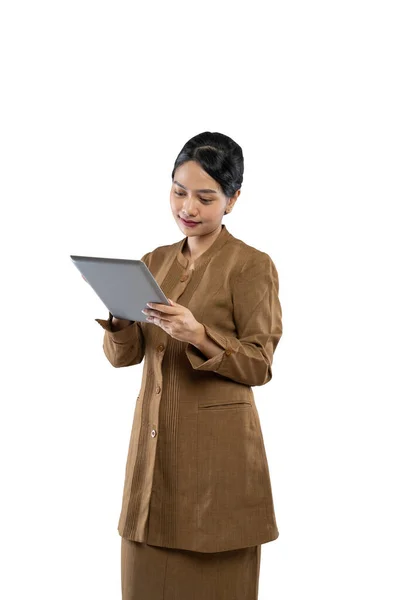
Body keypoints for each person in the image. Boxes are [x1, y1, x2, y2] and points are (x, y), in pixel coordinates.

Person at [95, 131, 283, 599]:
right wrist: (119, 318)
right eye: (179, 191)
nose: (188, 207)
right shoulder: (153, 262)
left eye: (205, 197)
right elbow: (126, 356)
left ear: (233, 200)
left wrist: (198, 334)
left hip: (217, 462)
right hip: (154, 453)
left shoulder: (251, 266)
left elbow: (260, 364)